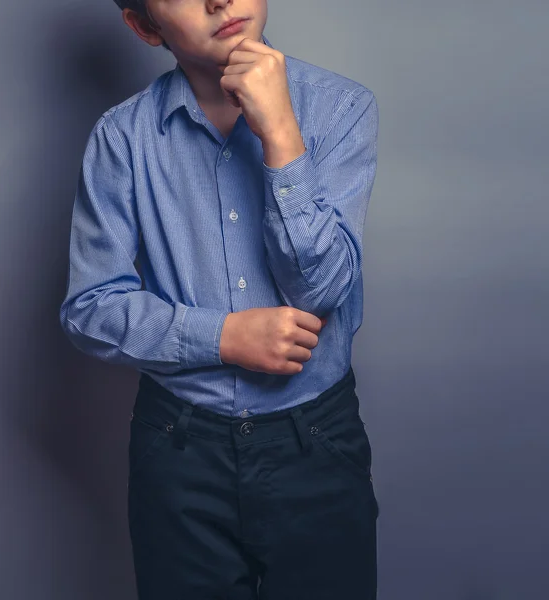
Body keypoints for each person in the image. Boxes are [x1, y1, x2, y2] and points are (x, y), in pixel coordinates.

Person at [59, 0, 379, 597]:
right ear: (143, 25)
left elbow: (322, 290)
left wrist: (281, 136)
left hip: (316, 441)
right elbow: (90, 307)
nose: (218, 0)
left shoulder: (340, 108)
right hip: (180, 448)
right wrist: (223, 337)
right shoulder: (122, 139)